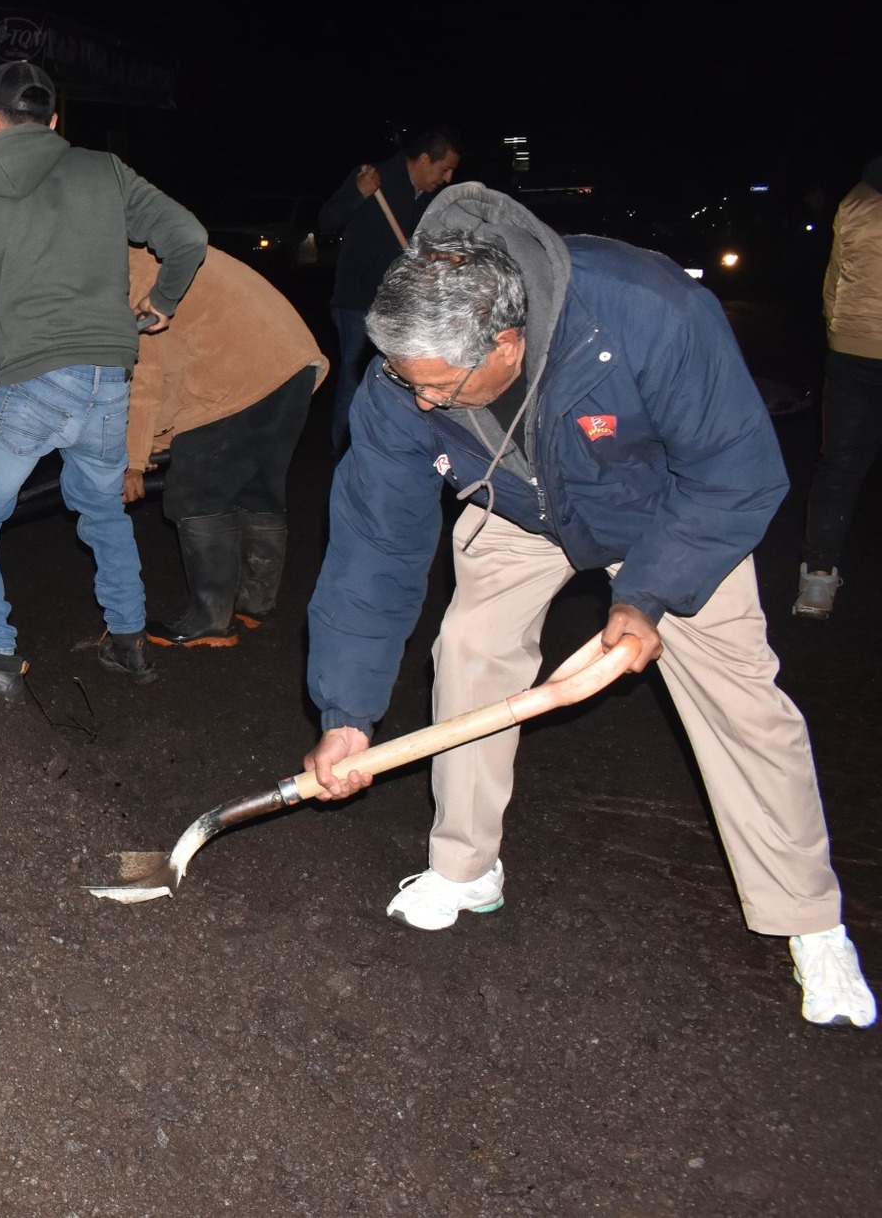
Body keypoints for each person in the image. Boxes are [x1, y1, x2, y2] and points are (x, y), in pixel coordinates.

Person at [301, 182, 874, 1030]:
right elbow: (372, 549)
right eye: (406, 382)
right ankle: (465, 866)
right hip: (518, 503)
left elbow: (734, 474)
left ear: (505, 344)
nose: (420, 403)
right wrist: (347, 714)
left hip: (668, 511)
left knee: (741, 705)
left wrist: (648, 596)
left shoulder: (649, 312)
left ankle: (811, 920)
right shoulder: (403, 378)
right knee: (470, 647)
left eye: (438, 389)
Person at [0, 60, 208, 702]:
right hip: (109, 380)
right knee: (102, 509)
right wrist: (163, 300)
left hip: (34, 383)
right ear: (53, 121)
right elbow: (187, 235)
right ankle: (129, 640)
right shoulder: (105, 170)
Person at [122, 247, 328, 647]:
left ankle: (210, 620)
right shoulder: (154, 249)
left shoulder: (128, 275)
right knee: (257, 487)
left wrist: (133, 459)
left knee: (197, 492)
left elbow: (145, 375)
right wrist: (154, 443)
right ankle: (255, 604)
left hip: (236, 372)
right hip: (292, 363)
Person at [317, 126, 463, 452]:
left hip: (402, 307)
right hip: (358, 303)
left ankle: (385, 451)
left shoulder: (428, 200)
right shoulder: (374, 177)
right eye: (444, 169)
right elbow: (327, 219)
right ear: (424, 159)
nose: (448, 178)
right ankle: (346, 456)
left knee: (399, 383)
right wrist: (358, 192)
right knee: (355, 383)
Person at [794, 155, 882, 618]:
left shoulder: (857, 199)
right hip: (853, 347)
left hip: (853, 349)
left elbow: (834, 279)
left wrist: (840, 335)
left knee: (841, 465)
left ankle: (817, 580)